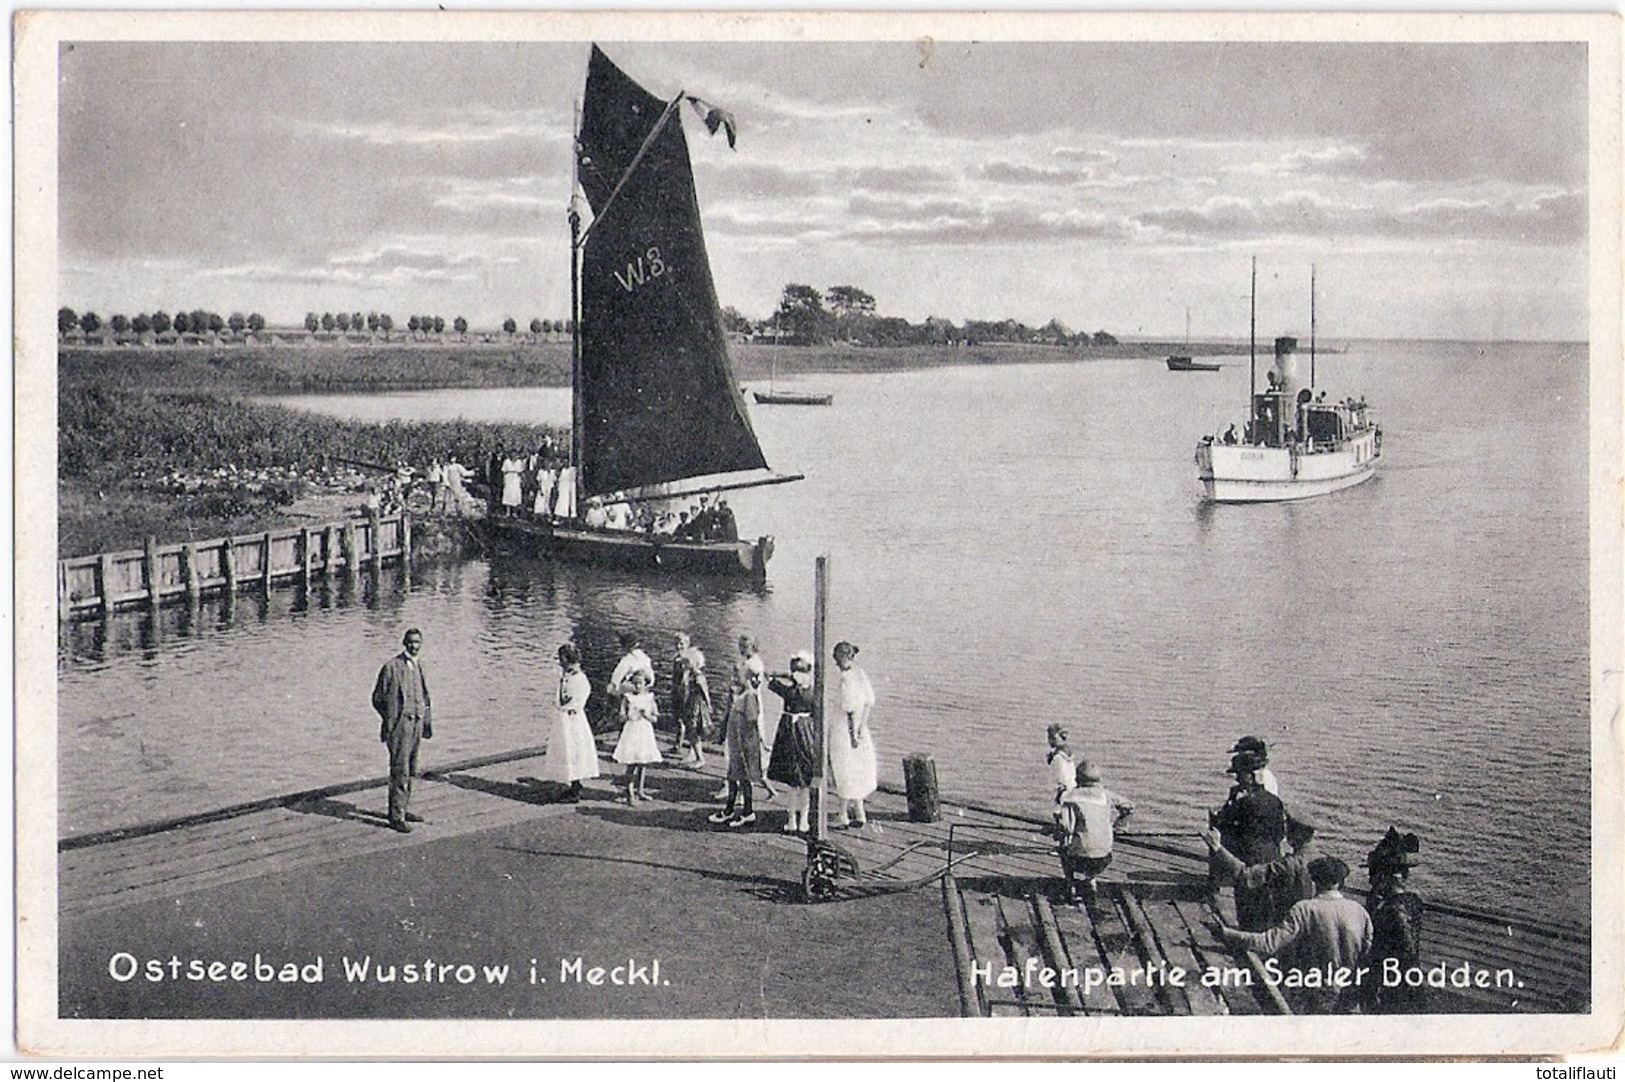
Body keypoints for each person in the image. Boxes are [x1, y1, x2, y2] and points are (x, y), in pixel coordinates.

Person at [1212, 855, 1373, 1014]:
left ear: (1314, 881)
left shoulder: (1305, 909)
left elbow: (1268, 943)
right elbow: (1367, 954)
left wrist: (1227, 933)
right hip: (1347, 996)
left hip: (1312, 994)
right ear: (1340, 882)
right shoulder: (1359, 911)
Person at [1201, 805, 1320, 931]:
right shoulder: (1321, 858)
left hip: (1290, 928)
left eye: (1289, 829)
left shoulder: (1291, 864)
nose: (1285, 834)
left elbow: (1246, 875)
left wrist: (1218, 847)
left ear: (1298, 834)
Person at [1209, 750, 1288, 930]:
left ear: (1250, 777)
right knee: (1267, 903)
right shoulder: (1275, 801)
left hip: (1249, 859)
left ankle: (1246, 937)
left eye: (1239, 774)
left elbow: (1223, 821)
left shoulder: (1245, 803)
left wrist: (1231, 799)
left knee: (1247, 904)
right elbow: (1280, 833)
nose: (1237, 779)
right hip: (1272, 857)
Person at [371, 628, 433, 833]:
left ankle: (403, 809)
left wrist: (425, 720)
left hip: (417, 724)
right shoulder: (391, 667)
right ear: (404, 643)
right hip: (400, 725)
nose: (414, 646)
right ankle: (396, 816)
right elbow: (377, 698)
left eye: (418, 642)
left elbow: (424, 697)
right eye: (411, 642)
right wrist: (391, 719)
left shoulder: (420, 665)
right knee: (400, 769)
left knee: (412, 767)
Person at [1363, 827, 1426, 1014]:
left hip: (1391, 980)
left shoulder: (1390, 909)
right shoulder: (1412, 902)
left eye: (1373, 874)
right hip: (1406, 977)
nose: (1370, 881)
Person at [1052, 760, 1133, 904]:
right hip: (1104, 858)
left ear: (1077, 779)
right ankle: (1091, 880)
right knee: (1093, 845)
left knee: (1063, 849)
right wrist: (1119, 825)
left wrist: (1055, 830)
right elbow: (1129, 806)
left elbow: (1065, 826)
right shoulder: (1106, 795)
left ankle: (1071, 885)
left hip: (1078, 859)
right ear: (1099, 780)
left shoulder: (1070, 797)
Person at [765, 650, 819, 833]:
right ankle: (803, 820)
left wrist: (779, 675)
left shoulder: (789, 690)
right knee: (803, 780)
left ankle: (792, 820)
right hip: (805, 731)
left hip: (790, 729)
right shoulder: (813, 690)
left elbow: (770, 680)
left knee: (793, 782)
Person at [543, 643, 600, 803]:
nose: (560, 662)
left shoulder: (580, 679)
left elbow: (574, 702)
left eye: (562, 659)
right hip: (564, 720)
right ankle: (572, 784)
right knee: (565, 750)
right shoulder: (567, 676)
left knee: (573, 750)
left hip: (572, 721)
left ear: (568, 660)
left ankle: (575, 790)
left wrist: (563, 705)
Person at [828, 641, 877, 828]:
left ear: (843, 658)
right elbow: (868, 702)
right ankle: (859, 812)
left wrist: (852, 734)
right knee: (857, 769)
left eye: (837, 658)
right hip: (860, 727)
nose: (835, 662)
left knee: (844, 768)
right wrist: (861, 727)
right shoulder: (860, 673)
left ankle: (842, 814)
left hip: (845, 728)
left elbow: (848, 709)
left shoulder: (845, 678)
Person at [708, 668, 763, 828]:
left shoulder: (750, 696)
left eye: (737, 676)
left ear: (746, 678)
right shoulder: (739, 695)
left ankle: (748, 812)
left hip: (744, 745)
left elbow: (752, 720)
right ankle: (729, 809)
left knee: (744, 779)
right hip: (735, 744)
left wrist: (745, 745)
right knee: (732, 777)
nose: (733, 679)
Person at [611, 668, 661, 805]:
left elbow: (655, 718)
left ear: (646, 684)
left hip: (644, 731)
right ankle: (630, 793)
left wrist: (646, 715)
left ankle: (640, 790)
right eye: (635, 683)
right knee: (632, 763)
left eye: (641, 683)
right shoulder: (628, 698)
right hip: (632, 731)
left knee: (643, 763)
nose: (638, 686)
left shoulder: (650, 698)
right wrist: (629, 716)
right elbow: (621, 717)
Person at [674, 636, 712, 769]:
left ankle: (699, 757)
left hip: (697, 704)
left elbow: (705, 691)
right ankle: (694, 754)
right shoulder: (690, 674)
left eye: (686, 663)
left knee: (693, 730)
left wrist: (708, 704)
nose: (684, 666)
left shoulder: (698, 676)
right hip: (691, 703)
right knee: (691, 729)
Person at [1046, 723, 1077, 801]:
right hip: (1071, 791)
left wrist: (1058, 796)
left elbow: (1062, 779)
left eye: (1053, 738)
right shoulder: (1068, 753)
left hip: (1062, 795)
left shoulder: (1058, 757)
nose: (1050, 741)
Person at [500, 451, 525, 516]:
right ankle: (508, 512)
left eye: (515, 455)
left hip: (516, 479)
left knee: (515, 494)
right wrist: (503, 480)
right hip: (508, 478)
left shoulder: (519, 462)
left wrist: (522, 480)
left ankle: (514, 512)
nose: (514, 456)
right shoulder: (506, 461)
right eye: (512, 454)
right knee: (507, 494)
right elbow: (503, 471)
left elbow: (521, 472)